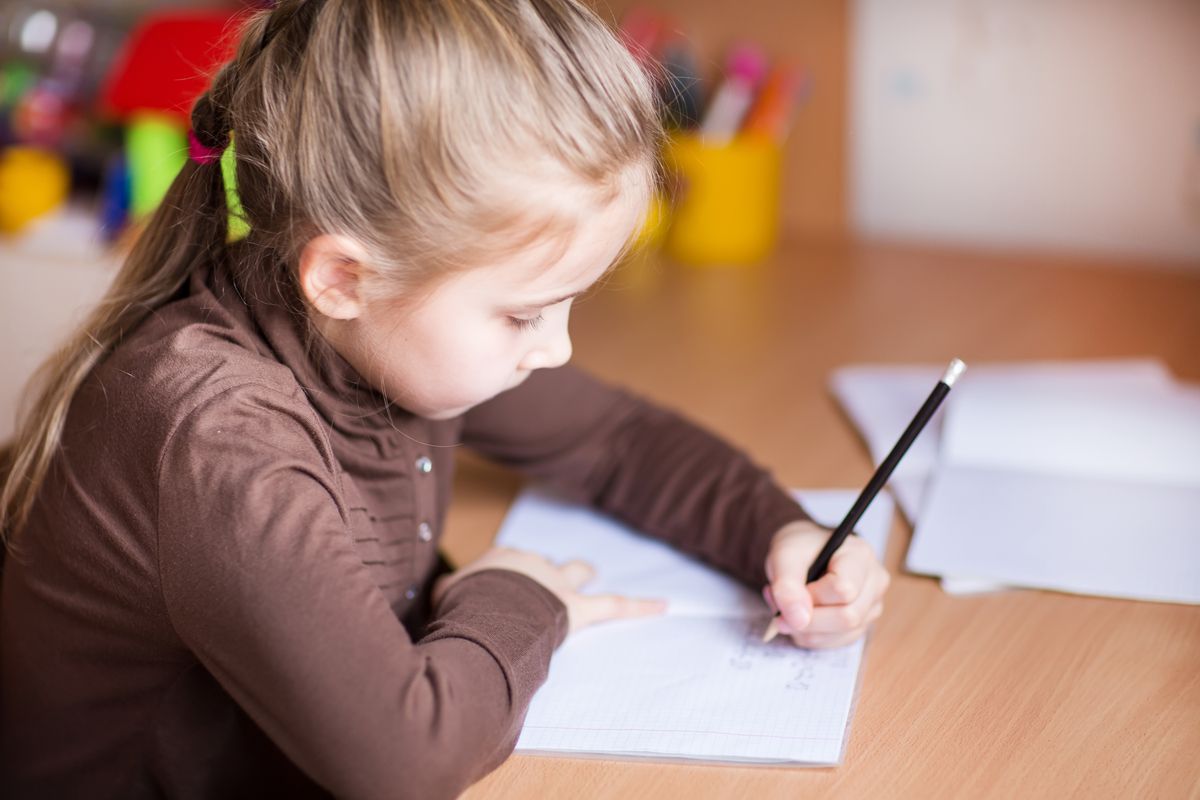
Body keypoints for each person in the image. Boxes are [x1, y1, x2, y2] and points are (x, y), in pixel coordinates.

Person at [0, 0, 889, 797]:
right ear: (344, 275)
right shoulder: (217, 434)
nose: (559, 346)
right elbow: (405, 761)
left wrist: (781, 532)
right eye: (524, 313)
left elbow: (617, 440)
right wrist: (514, 592)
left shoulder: (379, 328)